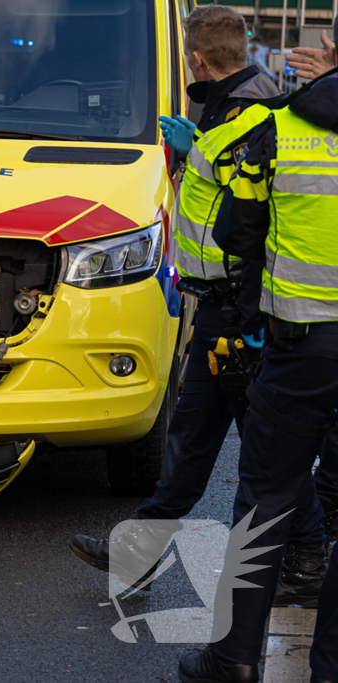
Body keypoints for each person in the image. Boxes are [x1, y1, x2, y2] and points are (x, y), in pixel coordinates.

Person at [70, 5, 330, 607]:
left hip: (237, 308)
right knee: (199, 439)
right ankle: (137, 555)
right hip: (224, 304)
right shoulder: (241, 101)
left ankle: (308, 560)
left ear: (196, 57)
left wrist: (197, 155)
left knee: (265, 451)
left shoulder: (254, 114)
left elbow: (249, 220)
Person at [175, 69, 338, 683]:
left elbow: (235, 234)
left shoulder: (278, 130)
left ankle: (235, 657)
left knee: (264, 502)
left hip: (300, 349)